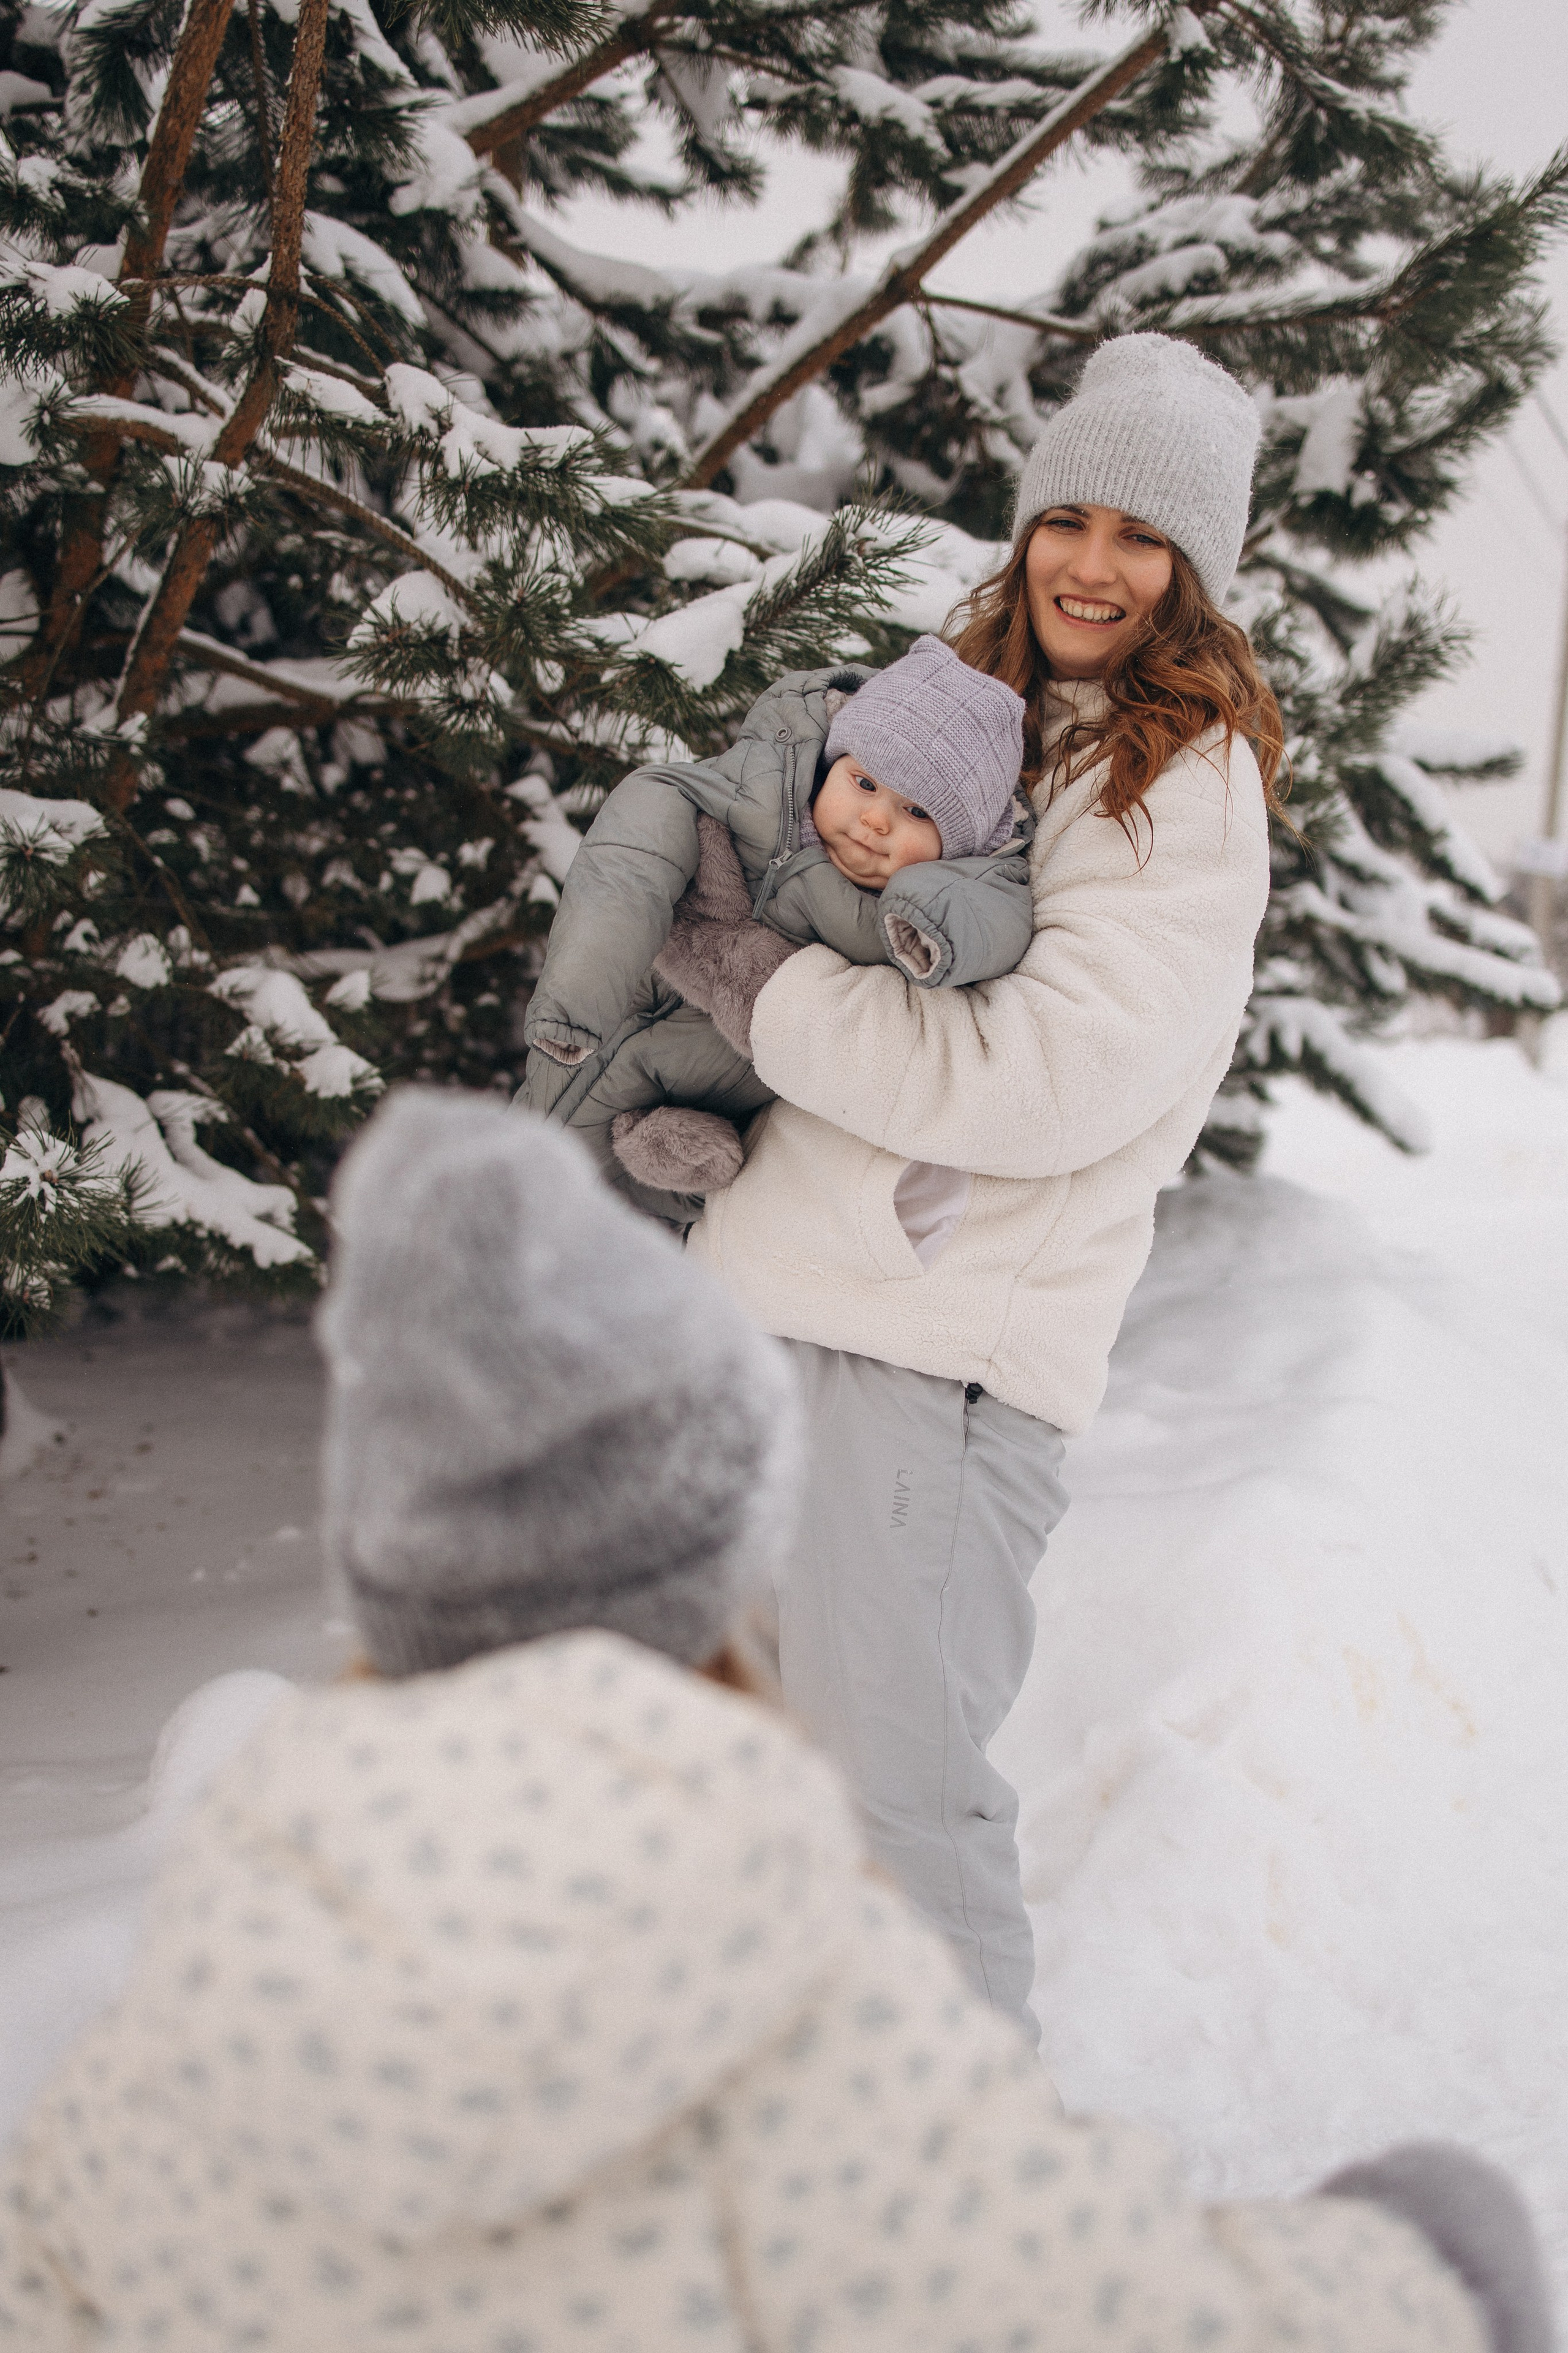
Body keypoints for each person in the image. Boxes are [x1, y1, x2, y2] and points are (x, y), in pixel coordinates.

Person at [0, 1089, 1547, 2353]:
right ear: (713, 1577)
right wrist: (1419, 2265)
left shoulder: (201, 1985)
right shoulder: (776, 1987)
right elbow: (1090, 2299)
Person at [656, 332, 1283, 2042]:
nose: (1093, 565)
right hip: (774, 1311)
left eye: (1141, 538)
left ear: (1197, 570)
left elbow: (1048, 1080)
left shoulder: (1178, 779)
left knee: (895, 1816)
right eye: (1067, 517)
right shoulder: (977, 717)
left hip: (930, 1364)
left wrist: (764, 993)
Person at [519, 633, 1033, 1215]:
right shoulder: (750, 802)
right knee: (519, 1183)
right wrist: (577, 1001)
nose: (874, 819)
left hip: (682, 1132)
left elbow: (995, 921)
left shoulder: (908, 922)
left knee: (603, 1240)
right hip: (584, 1043)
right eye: (863, 782)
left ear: (958, 847)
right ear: (829, 765)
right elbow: (632, 854)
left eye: (917, 811)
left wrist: (931, 913)